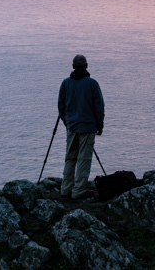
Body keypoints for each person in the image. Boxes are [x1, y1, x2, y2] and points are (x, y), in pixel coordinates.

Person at [58, 54, 105, 200]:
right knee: (84, 158)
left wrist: (67, 123)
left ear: (73, 66)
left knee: (70, 157)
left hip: (72, 126)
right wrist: (99, 125)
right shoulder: (92, 84)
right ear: (86, 66)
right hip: (88, 126)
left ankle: (66, 188)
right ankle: (78, 190)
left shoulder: (65, 83)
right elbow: (99, 107)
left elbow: (61, 106)